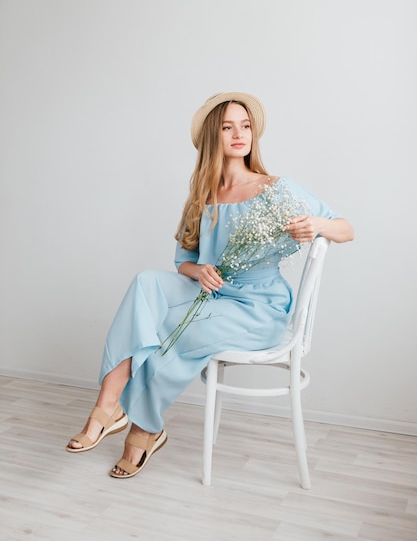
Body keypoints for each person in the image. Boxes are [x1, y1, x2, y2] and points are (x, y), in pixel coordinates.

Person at [65, 91, 354, 478]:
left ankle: (144, 428)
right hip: (213, 292)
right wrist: (198, 271)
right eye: (228, 127)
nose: (240, 134)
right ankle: (109, 403)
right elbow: (182, 261)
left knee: (172, 333)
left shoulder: (276, 188)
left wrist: (316, 226)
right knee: (145, 284)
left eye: (246, 126)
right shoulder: (203, 194)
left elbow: (346, 228)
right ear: (212, 138)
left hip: (257, 308)